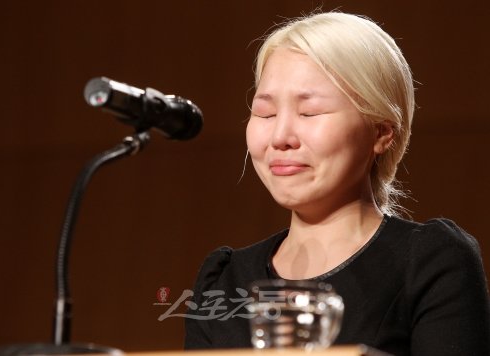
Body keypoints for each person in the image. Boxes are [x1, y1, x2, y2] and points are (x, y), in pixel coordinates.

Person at [184, 11, 490, 355]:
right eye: (266, 113)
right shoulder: (223, 281)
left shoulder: (429, 262)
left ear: (381, 132)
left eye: (309, 113)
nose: (280, 137)